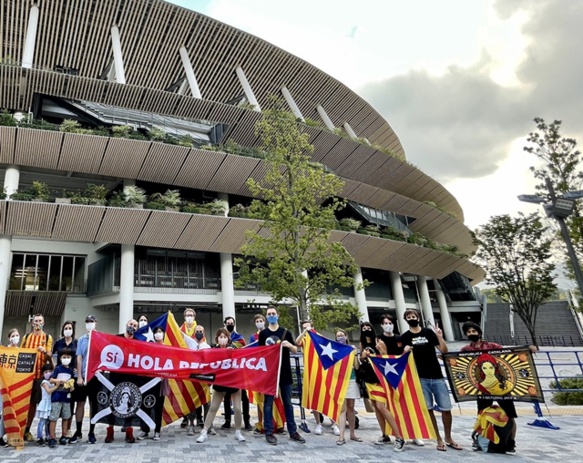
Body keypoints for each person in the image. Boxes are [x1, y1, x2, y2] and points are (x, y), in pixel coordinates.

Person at [400, 309, 462, 452]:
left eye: (413, 316)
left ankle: (448, 437)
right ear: (406, 320)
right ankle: (438, 438)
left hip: (437, 375)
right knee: (428, 410)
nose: (412, 318)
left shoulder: (428, 333)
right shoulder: (405, 337)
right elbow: (402, 359)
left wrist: (440, 337)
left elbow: (444, 351)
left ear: (418, 318)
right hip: (420, 377)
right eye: (409, 317)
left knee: (446, 408)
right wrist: (405, 351)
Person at [460, 321, 523, 453]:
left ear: (479, 332)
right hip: (481, 388)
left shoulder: (492, 345)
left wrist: (528, 350)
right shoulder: (466, 350)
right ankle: (482, 441)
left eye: (474, 331)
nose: (472, 334)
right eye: (469, 332)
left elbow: (508, 354)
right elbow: (458, 362)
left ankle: (511, 442)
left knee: (510, 414)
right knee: (482, 414)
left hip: (501, 387)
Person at [258, 306, 305, 445]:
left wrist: (288, 345)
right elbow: (260, 353)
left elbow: (296, 350)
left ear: (277, 315)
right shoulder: (263, 334)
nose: (271, 316)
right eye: (269, 314)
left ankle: (293, 431)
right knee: (268, 404)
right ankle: (268, 432)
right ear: (266, 317)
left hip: (284, 372)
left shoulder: (285, 332)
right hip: (270, 374)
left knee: (288, 403)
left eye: (273, 314)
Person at [359, 321, 406, 452]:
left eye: (368, 327)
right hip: (368, 377)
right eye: (363, 328)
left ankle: (399, 436)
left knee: (381, 406)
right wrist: (362, 357)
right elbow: (361, 360)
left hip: (379, 376)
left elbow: (385, 357)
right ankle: (385, 434)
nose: (366, 329)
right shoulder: (362, 343)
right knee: (375, 406)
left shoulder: (378, 340)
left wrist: (379, 352)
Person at [196, 328, 246, 443]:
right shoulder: (214, 350)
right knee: (213, 408)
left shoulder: (234, 348)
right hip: (220, 382)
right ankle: (204, 432)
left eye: (225, 337)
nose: (223, 339)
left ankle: (238, 432)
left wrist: (232, 353)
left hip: (234, 381)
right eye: (220, 337)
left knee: (238, 408)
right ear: (217, 339)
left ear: (228, 338)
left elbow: (241, 361)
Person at [295, 320, 336, 436]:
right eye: (303, 327)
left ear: (312, 326)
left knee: (328, 397)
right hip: (311, 372)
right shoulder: (304, 338)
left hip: (323, 371)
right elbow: (297, 342)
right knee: (315, 397)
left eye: (308, 326)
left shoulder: (320, 337)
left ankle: (334, 423)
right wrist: (304, 332)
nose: (306, 328)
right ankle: (318, 423)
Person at [105, 318, 139, 444]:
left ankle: (129, 431)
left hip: (131, 377)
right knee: (112, 401)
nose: (132, 327)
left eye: (135, 326)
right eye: (131, 324)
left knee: (130, 403)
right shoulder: (116, 338)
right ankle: (110, 430)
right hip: (116, 376)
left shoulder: (138, 342)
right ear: (126, 325)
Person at [21, 313, 54, 443]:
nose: (38, 323)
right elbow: (20, 353)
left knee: (34, 404)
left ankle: (28, 429)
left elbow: (50, 355)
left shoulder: (47, 337)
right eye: (36, 321)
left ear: (43, 323)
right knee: (24, 403)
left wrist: (45, 352)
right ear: (32, 323)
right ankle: (21, 430)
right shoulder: (26, 337)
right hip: (26, 376)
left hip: (40, 377)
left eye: (40, 321)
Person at [222, 316, 252, 431]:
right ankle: (227, 421)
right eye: (228, 323)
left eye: (231, 323)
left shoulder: (239, 338)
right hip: (226, 372)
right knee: (226, 396)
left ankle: (247, 421)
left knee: (244, 397)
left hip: (239, 371)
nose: (230, 324)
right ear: (225, 324)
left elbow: (243, 348)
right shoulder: (222, 337)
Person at [138, 326, 166, 441]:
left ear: (163, 334)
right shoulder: (149, 347)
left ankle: (157, 431)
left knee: (158, 407)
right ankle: (145, 430)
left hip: (160, 382)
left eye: (160, 332)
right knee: (145, 405)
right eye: (156, 332)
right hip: (148, 382)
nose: (158, 334)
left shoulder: (167, 348)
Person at [334, 329, 361, 446]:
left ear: (346, 337)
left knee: (351, 407)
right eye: (338, 336)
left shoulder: (351, 349)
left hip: (351, 379)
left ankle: (352, 433)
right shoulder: (334, 350)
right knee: (342, 408)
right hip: (340, 381)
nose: (340, 337)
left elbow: (356, 366)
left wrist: (355, 354)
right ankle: (341, 436)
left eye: (342, 335)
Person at [52, 320, 78, 441]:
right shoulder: (58, 343)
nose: (68, 330)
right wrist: (53, 369)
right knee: (56, 403)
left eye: (70, 328)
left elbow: (79, 357)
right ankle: (51, 433)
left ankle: (66, 430)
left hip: (72, 375)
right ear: (63, 330)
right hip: (59, 375)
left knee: (70, 403)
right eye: (66, 328)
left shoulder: (76, 343)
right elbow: (50, 355)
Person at [75, 314, 99, 443]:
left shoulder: (100, 338)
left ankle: (92, 431)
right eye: (88, 321)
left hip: (94, 376)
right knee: (80, 403)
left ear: (96, 323)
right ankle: (78, 431)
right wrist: (79, 376)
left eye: (92, 321)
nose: (90, 323)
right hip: (83, 375)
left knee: (93, 404)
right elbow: (79, 358)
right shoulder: (81, 340)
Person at [184, 324, 211, 436]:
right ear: (194, 332)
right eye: (197, 331)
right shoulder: (189, 343)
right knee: (192, 403)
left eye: (201, 331)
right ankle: (191, 425)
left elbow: (211, 363)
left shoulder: (207, 347)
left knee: (207, 403)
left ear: (204, 333)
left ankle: (208, 426)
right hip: (192, 377)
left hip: (204, 378)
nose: (199, 333)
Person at [47, 348, 75, 448]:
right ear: (60, 358)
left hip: (66, 397)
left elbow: (72, 382)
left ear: (71, 358)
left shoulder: (70, 371)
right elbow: (51, 380)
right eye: (64, 357)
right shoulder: (58, 369)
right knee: (53, 417)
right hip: (56, 396)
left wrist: (71, 387)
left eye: (68, 357)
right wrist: (59, 381)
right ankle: (52, 437)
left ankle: (63, 435)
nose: (66, 359)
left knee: (66, 416)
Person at [180, 307, 201, 430]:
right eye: (187, 315)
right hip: (184, 365)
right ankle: (185, 417)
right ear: (184, 317)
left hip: (196, 366)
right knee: (185, 393)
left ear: (194, 317)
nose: (189, 317)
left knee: (197, 392)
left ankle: (199, 417)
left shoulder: (199, 330)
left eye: (191, 315)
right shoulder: (179, 330)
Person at [36, 364, 58, 446]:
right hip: (44, 403)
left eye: (50, 371)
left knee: (48, 421)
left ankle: (48, 436)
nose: (48, 373)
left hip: (50, 403)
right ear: (43, 374)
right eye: (46, 372)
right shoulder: (44, 382)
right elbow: (48, 391)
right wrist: (57, 385)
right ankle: (39, 437)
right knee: (42, 421)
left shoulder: (51, 381)